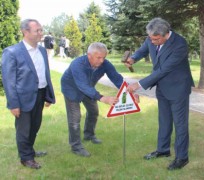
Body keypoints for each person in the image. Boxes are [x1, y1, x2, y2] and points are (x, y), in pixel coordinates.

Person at [125, 17, 194, 170]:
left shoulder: (180, 44)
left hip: (178, 89)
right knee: (164, 121)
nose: (152, 41)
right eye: (151, 38)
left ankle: (182, 157)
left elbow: (164, 69)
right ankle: (163, 150)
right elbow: (144, 49)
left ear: (165, 34)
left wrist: (139, 84)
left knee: (180, 124)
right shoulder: (152, 38)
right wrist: (133, 58)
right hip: (162, 87)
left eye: (156, 39)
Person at [1, 19, 56, 169]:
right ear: (25, 32)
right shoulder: (11, 52)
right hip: (22, 98)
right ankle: (26, 158)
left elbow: (45, 74)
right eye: (37, 30)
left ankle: (29, 150)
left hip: (40, 94)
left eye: (41, 30)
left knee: (35, 126)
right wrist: (13, 104)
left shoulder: (42, 50)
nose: (41, 33)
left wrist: (48, 95)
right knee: (24, 129)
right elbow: (8, 81)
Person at [61, 42, 124, 157]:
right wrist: (102, 98)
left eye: (103, 57)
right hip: (71, 89)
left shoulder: (105, 64)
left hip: (88, 89)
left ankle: (89, 135)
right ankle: (76, 147)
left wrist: (128, 91)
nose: (101, 61)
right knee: (75, 118)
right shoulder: (77, 64)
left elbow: (116, 77)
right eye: (98, 57)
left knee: (94, 112)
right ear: (89, 55)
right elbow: (82, 85)